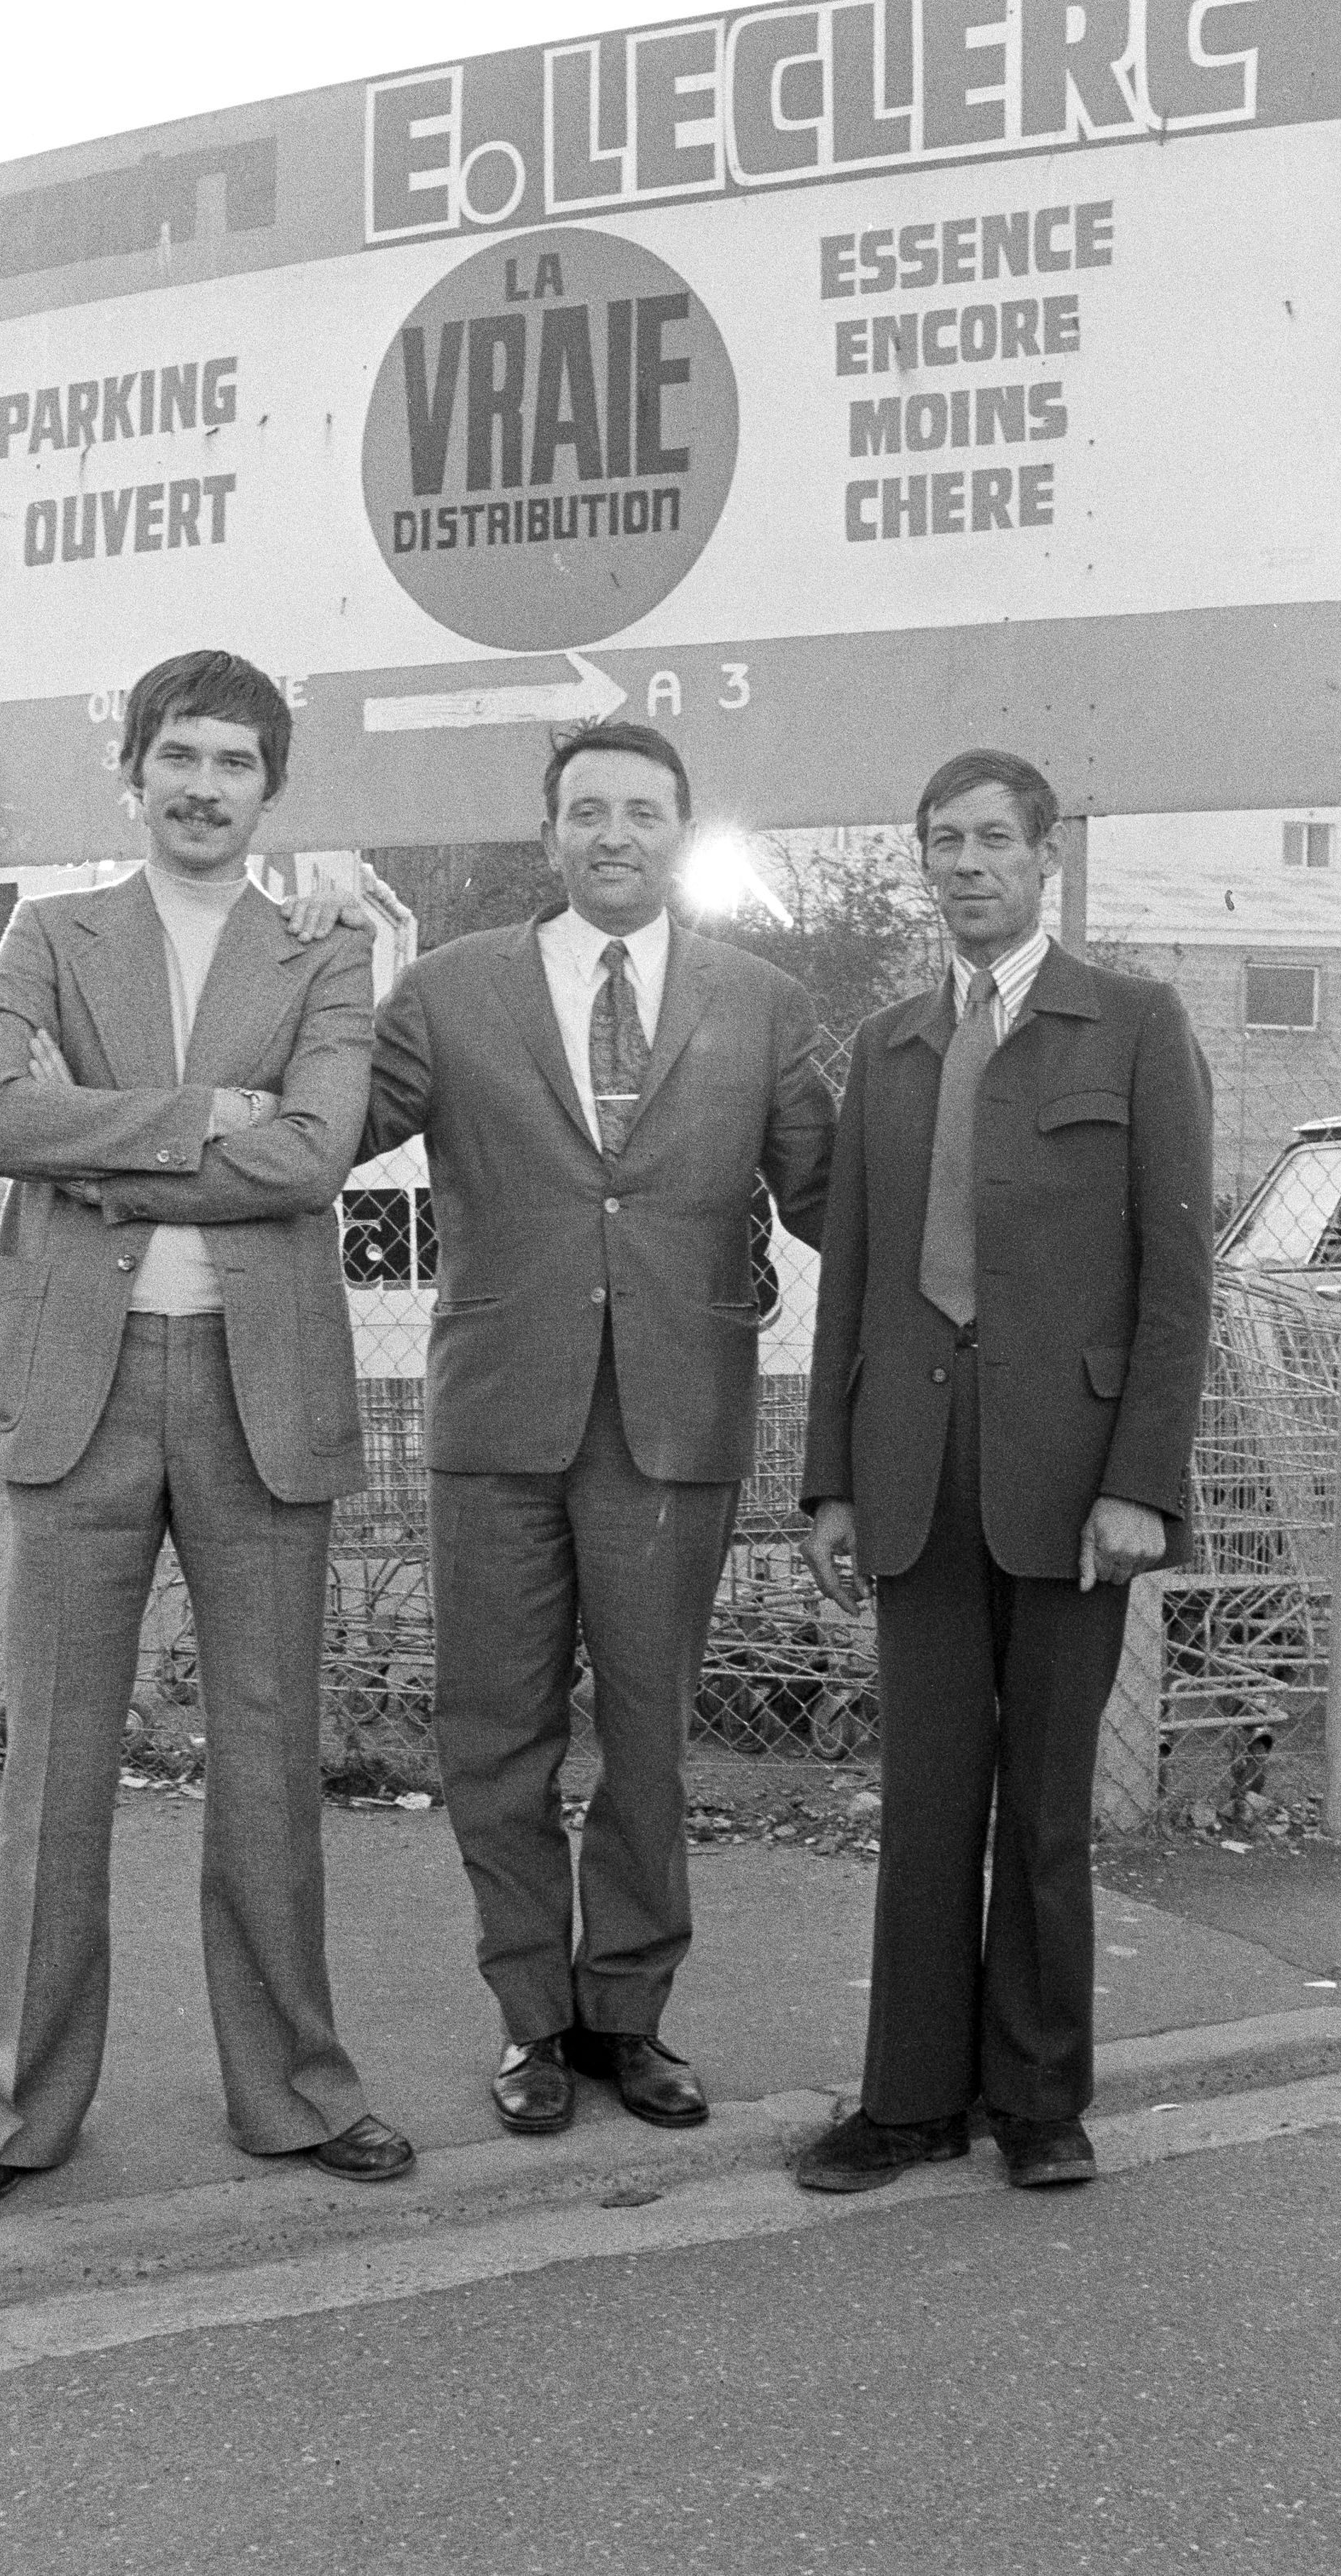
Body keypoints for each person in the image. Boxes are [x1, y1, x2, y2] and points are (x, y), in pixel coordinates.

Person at [0, 649, 414, 2213]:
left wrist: (114, 1145)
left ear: (273, 787)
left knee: (269, 1764)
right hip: (87, 1383)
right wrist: (209, 1115)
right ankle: (13, 2111)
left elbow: (315, 1156)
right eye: (179, 756)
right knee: (53, 1772)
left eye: (236, 762)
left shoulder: (325, 954)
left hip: (259, 1395)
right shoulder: (51, 932)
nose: (204, 787)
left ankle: (295, 2093)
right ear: (131, 772)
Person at [362, 719, 834, 2138]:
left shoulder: (759, 1001)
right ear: (548, 832)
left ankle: (626, 2013)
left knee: (646, 1739)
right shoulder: (447, 993)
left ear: (681, 831)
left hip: (672, 1423)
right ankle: (532, 2021)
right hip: (501, 1419)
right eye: (586, 811)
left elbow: (834, 1198)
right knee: (492, 1737)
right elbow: (327, 1130)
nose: (613, 833)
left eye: (642, 810)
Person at [793, 750, 1211, 2195]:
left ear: (1045, 858)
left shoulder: (1137, 1026)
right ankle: (907, 2100)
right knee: (923, 1801)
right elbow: (848, 1276)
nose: (963, 864)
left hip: (1068, 1478)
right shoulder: (891, 1044)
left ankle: (1037, 2100)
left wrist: (1140, 1480)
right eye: (939, 843)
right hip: (914, 1469)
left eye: (990, 840)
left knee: (1041, 1803)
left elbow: (1175, 1279)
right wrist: (831, 1479)